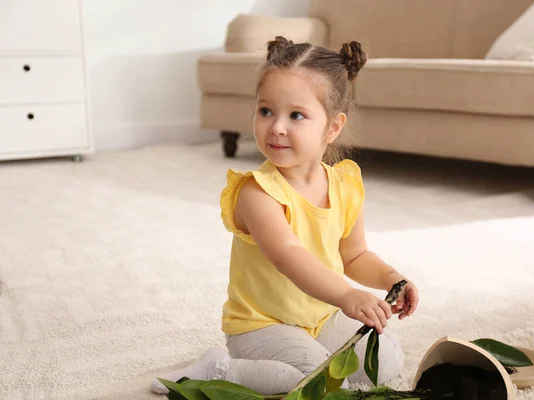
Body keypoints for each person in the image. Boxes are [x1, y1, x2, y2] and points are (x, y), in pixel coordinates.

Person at [152, 36, 419, 395]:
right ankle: (221, 367)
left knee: (387, 363)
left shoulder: (344, 184)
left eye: (295, 115)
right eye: (266, 111)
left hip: (322, 316)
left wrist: (391, 278)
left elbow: (354, 255)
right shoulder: (257, 191)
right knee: (312, 382)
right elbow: (288, 257)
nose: (276, 126)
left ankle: (309, 353)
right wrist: (346, 296)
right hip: (263, 325)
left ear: (333, 127)